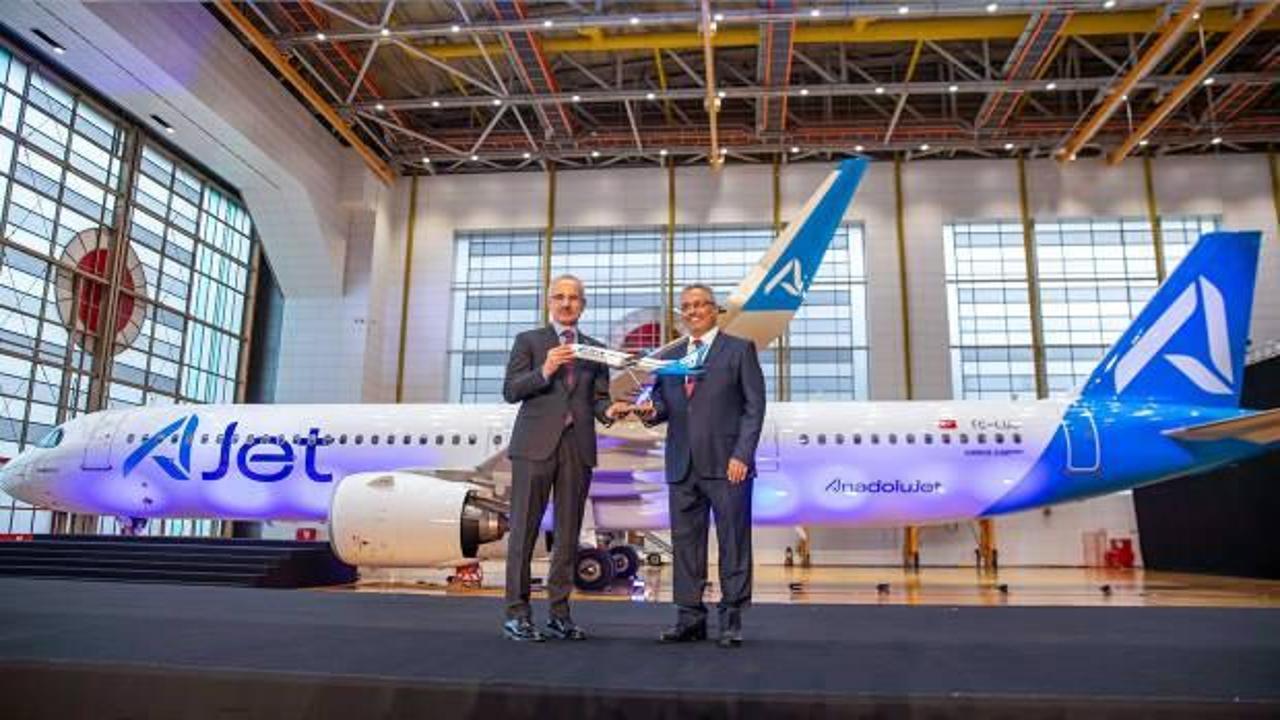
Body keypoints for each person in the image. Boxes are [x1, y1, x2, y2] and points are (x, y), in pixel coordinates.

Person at [501, 273, 632, 642]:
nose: (566, 303)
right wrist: (544, 370)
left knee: (568, 535)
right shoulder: (529, 341)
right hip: (533, 447)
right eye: (559, 297)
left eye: (573, 297)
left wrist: (612, 410)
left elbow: (599, 400)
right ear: (549, 303)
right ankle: (517, 614)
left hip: (577, 447)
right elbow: (511, 390)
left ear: (582, 305)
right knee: (523, 533)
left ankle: (559, 614)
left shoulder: (595, 350)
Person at [638, 283, 766, 648]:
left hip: (728, 465)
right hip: (682, 464)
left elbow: (754, 407)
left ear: (714, 310)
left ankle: (731, 620)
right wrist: (649, 413)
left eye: (700, 304)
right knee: (685, 546)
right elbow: (662, 405)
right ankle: (689, 618)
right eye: (687, 306)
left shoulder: (739, 349)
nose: (693, 311)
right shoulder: (671, 356)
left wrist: (742, 455)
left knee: (733, 542)